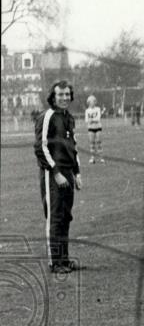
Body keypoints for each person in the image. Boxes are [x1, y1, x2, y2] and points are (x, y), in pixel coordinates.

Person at [34, 81, 83, 273]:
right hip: (53, 173)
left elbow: (74, 146)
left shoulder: (69, 118)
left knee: (65, 217)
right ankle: (55, 262)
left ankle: (65, 260)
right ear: (53, 97)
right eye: (60, 95)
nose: (64, 98)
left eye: (67, 94)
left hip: (68, 173)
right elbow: (40, 147)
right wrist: (55, 172)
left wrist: (77, 172)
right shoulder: (47, 117)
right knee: (54, 217)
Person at [84, 95, 105, 163]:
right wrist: (92, 120)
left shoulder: (98, 109)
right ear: (89, 103)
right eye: (91, 102)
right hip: (90, 128)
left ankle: (101, 158)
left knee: (99, 142)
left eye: (93, 101)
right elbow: (86, 120)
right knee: (92, 143)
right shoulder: (87, 111)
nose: (92, 103)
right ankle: (92, 158)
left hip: (98, 127)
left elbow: (98, 118)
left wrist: (91, 120)